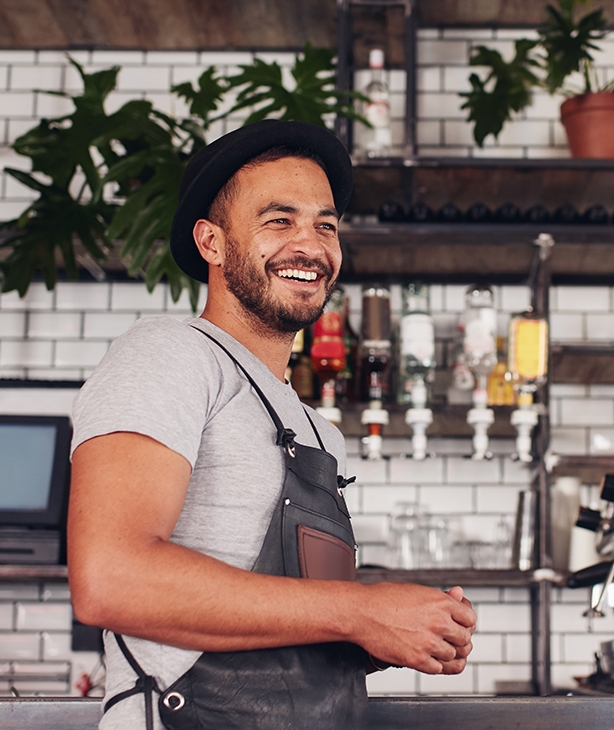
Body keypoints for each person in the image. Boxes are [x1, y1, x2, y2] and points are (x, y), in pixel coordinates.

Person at [67, 119, 476, 730]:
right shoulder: (171, 354)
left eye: (325, 225)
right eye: (278, 221)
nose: (309, 245)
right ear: (212, 242)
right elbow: (110, 578)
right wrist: (361, 612)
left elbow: (302, 621)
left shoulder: (318, 431)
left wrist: (392, 631)